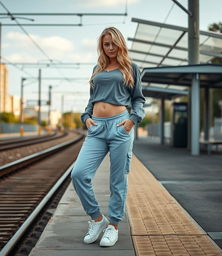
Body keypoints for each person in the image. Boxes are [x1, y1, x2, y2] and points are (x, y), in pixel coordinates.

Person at [71, 27, 145, 247]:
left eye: (113, 43)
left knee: (117, 180)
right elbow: (92, 99)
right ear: (102, 46)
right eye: (106, 44)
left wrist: (132, 120)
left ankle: (113, 226)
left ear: (120, 44)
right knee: (78, 174)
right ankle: (96, 219)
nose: (110, 48)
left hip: (120, 126)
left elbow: (139, 99)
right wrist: (86, 117)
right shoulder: (98, 68)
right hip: (96, 128)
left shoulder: (131, 67)